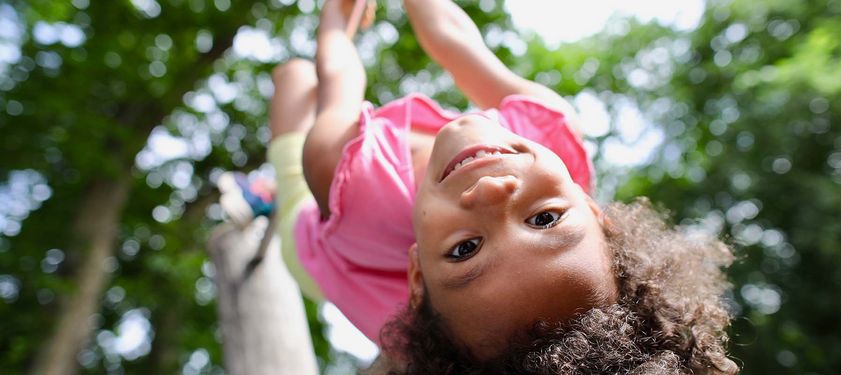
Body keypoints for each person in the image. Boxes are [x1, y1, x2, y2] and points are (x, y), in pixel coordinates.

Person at [243, 0, 740, 373]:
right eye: (544, 219)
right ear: (594, 211)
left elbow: (338, 73)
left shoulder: (341, 174)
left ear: (417, 277)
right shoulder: (551, 130)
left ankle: (269, 198)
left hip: (326, 249)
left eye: (467, 249)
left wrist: (336, 17)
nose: (491, 193)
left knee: (296, 79)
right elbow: (453, 38)